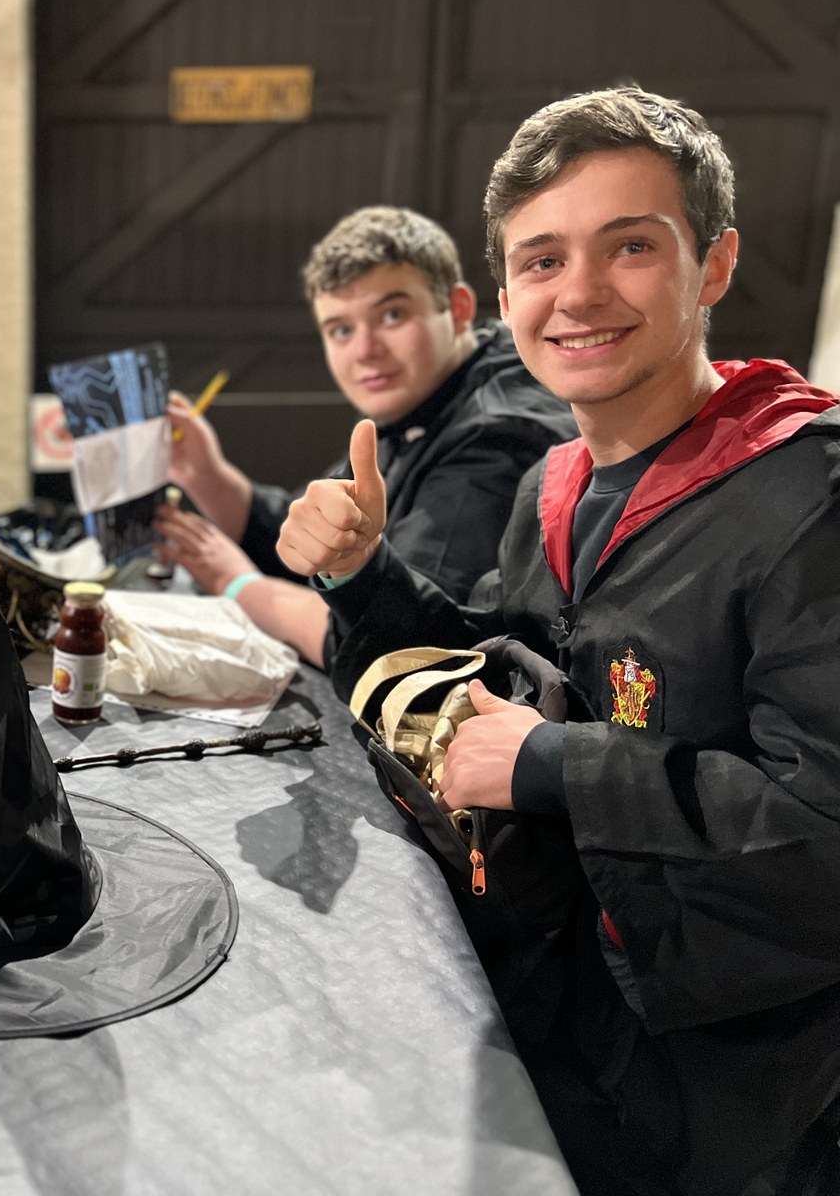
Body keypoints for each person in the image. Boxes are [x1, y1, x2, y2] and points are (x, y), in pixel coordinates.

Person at [280, 87, 840, 1195]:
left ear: (714, 265)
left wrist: (552, 764)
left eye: (630, 246)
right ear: (506, 296)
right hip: (565, 1001)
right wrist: (362, 574)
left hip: (727, 1082)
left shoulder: (806, 501)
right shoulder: (556, 480)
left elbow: (823, 827)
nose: (577, 293)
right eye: (542, 260)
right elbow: (505, 663)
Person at [155, 206, 573, 668]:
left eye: (392, 315)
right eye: (340, 330)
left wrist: (237, 585)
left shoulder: (495, 440)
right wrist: (205, 474)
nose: (365, 351)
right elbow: (315, 539)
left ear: (457, 310)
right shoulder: (429, 390)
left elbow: (401, 650)